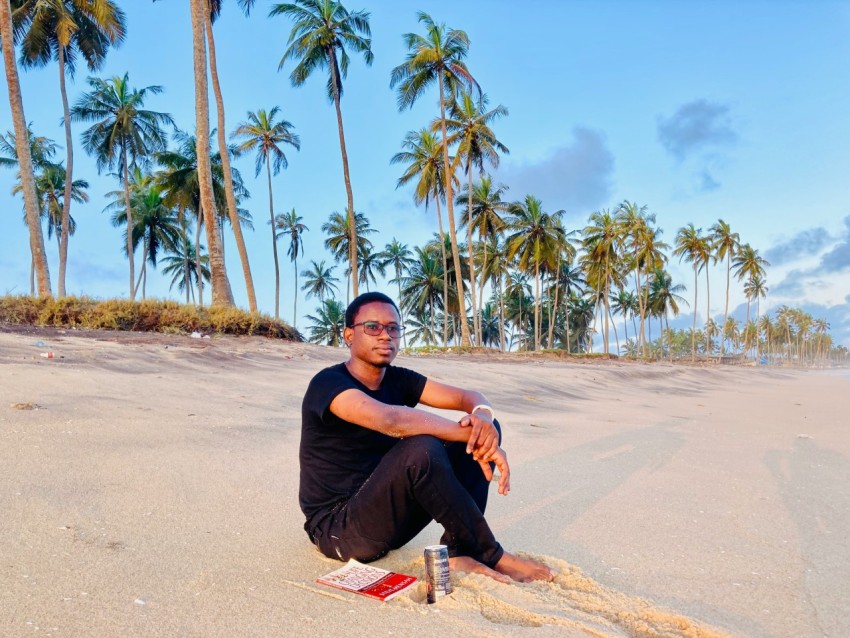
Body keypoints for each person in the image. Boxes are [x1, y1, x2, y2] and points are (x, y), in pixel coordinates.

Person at [299, 292, 553, 583]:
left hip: (387, 519)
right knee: (422, 448)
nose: (385, 336)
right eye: (372, 327)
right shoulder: (328, 383)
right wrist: (471, 433)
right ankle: (489, 552)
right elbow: (389, 420)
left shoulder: (398, 379)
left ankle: (457, 552)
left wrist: (482, 418)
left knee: (482, 432)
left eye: (393, 328)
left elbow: (466, 396)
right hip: (338, 531)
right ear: (348, 335)